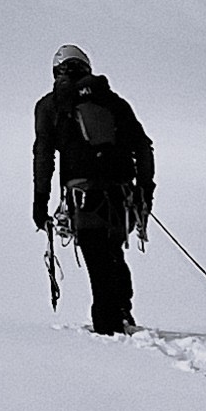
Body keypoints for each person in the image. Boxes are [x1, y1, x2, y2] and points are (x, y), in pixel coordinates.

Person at [33, 44, 155, 335]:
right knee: (112, 254)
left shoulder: (50, 106)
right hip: (120, 196)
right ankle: (122, 314)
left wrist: (40, 202)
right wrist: (144, 193)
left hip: (83, 198)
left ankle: (108, 326)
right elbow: (143, 147)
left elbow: (44, 156)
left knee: (97, 261)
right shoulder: (113, 102)